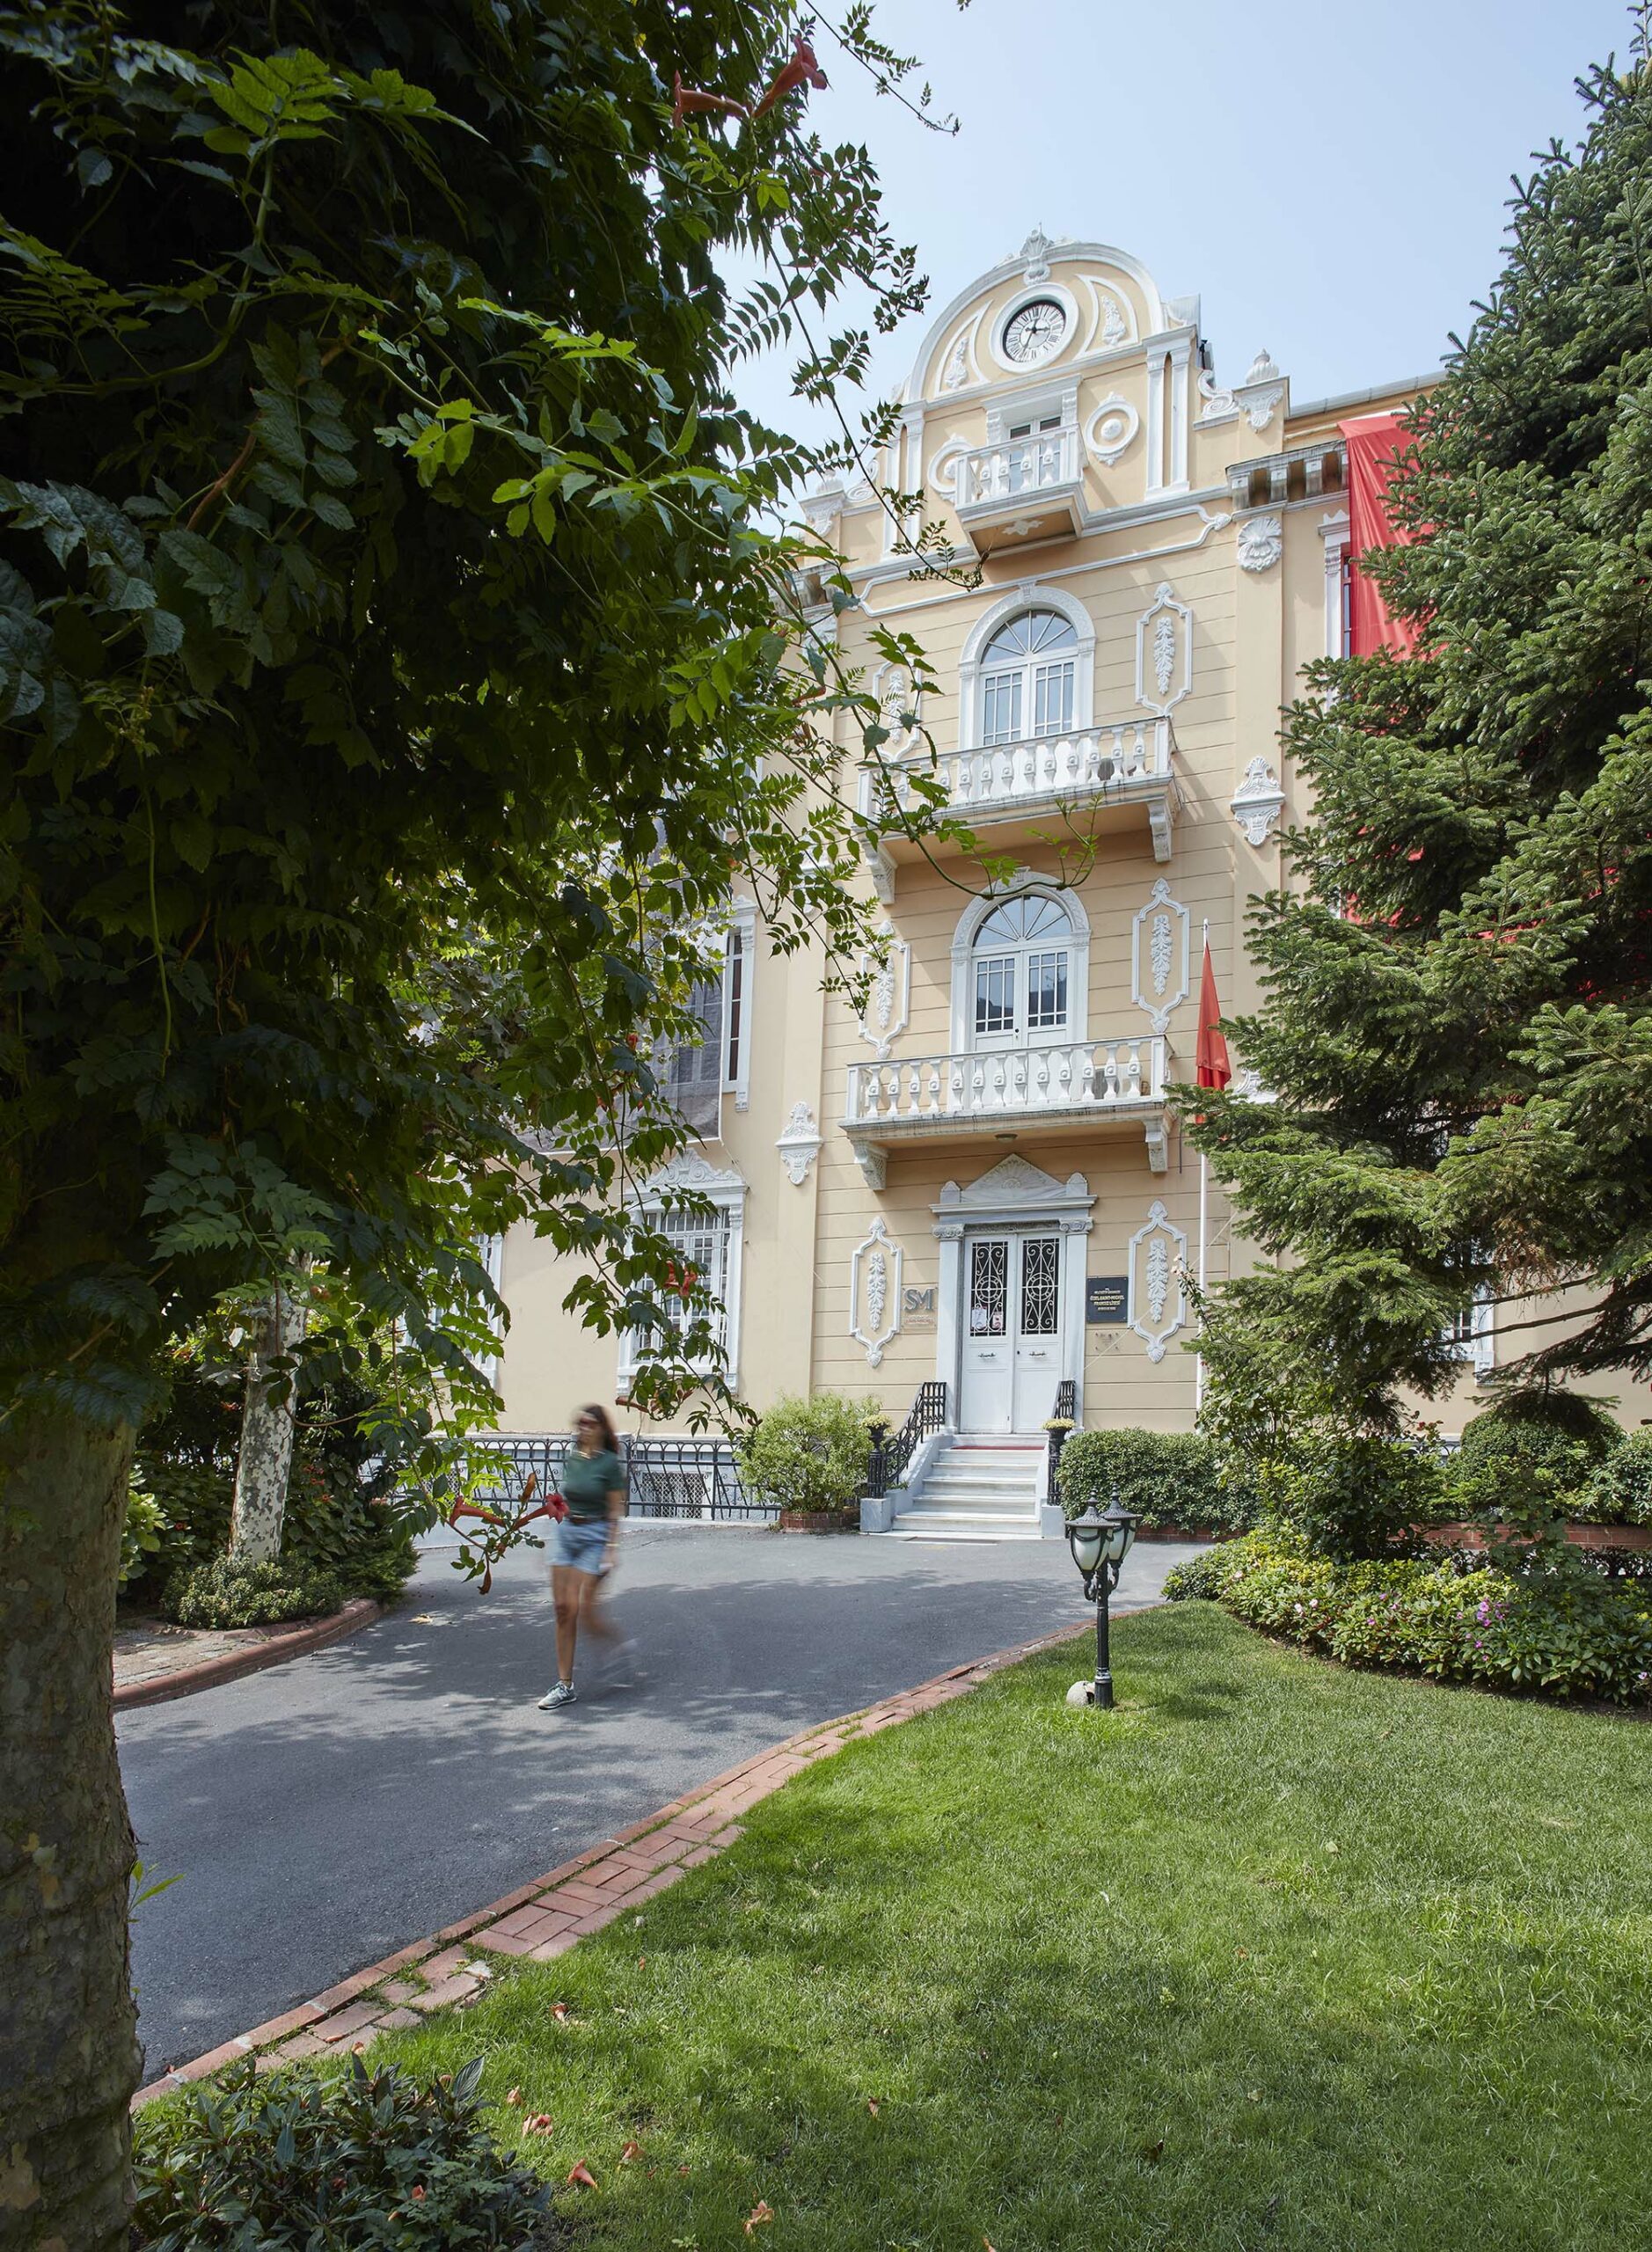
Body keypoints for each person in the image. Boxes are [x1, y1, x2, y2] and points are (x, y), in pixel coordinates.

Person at [537, 1405, 634, 1710]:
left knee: (583, 1610)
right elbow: (567, 1498)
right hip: (567, 1533)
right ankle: (564, 1685)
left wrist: (611, 1548)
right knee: (562, 1610)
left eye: (590, 1423)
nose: (584, 1427)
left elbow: (615, 1508)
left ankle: (616, 1647)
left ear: (601, 1428)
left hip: (595, 1535)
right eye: (580, 1422)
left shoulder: (608, 1463)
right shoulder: (573, 1458)